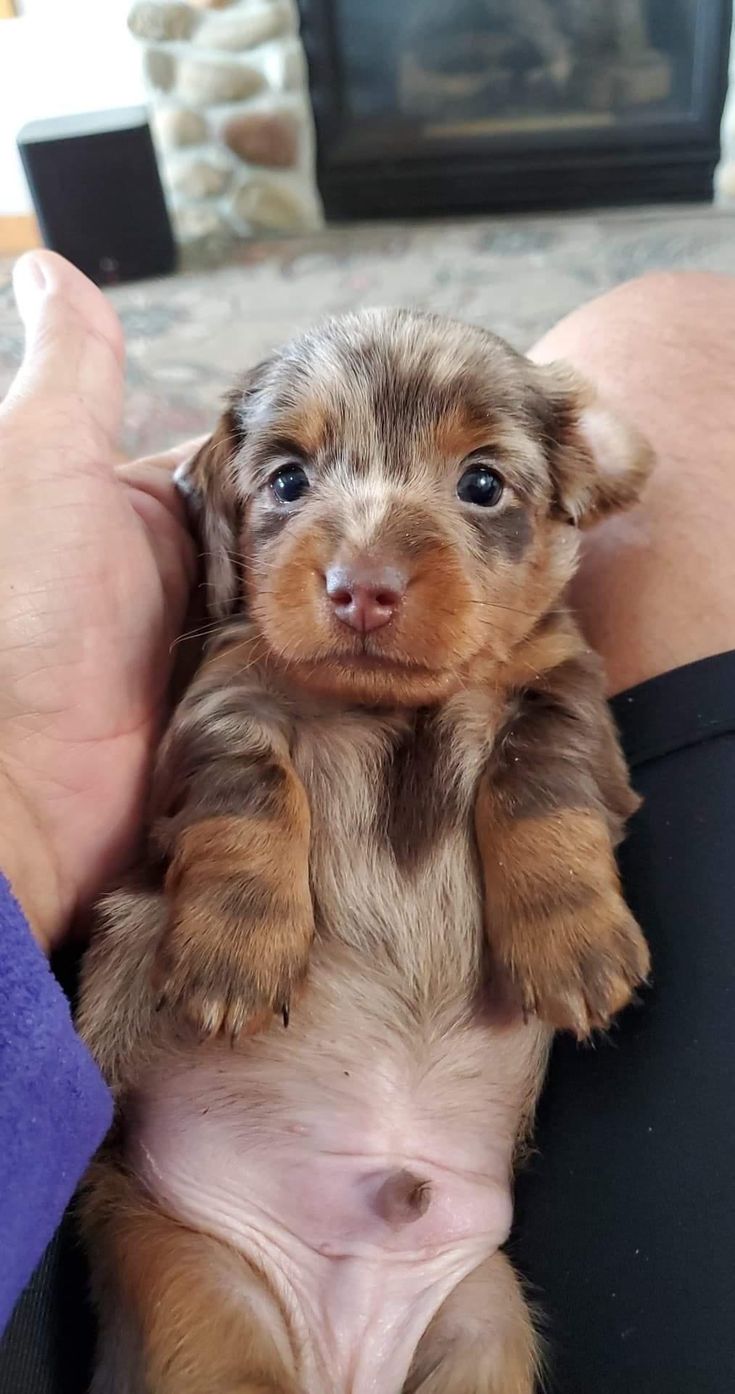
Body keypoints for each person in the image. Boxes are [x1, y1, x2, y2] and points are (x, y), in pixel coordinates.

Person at [0, 252, 733, 1392]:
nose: (364, 564)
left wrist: (557, 872)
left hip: (455, 1252)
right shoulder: (248, 669)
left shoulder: (537, 669)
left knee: (495, 1340)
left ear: (570, 503)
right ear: (229, 501)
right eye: (289, 482)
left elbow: (563, 751)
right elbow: (226, 754)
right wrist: (239, 874)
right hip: (207, 1203)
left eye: (481, 486)